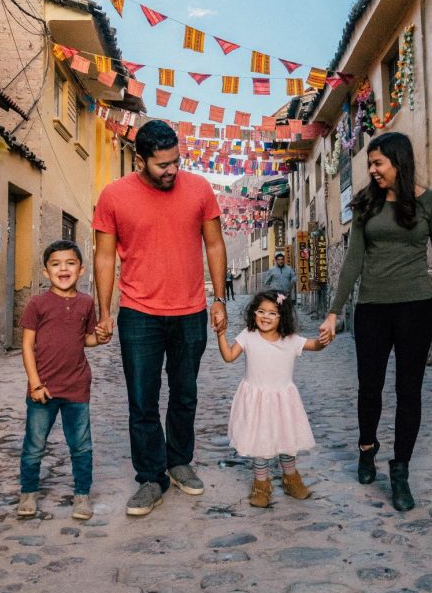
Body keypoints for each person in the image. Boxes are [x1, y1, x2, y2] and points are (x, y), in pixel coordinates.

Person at [93, 119, 227, 518]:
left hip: (190, 311)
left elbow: (215, 243)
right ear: (140, 160)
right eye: (162, 164)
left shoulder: (200, 189)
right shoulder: (114, 196)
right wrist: (105, 310)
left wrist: (219, 298)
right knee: (142, 399)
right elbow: (103, 255)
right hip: (138, 313)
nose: (172, 170)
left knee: (185, 393)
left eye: (176, 161)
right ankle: (150, 477)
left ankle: (179, 461)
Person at [319, 132, 432, 513]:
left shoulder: (431, 203)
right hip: (373, 308)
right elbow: (353, 262)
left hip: (417, 308)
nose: (373, 170)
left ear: (399, 161)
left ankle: (400, 471)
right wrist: (334, 310)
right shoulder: (366, 204)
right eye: (370, 164)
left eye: (378, 163)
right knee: (370, 386)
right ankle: (367, 448)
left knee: (409, 391)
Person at [17, 240, 110, 521]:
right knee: (34, 445)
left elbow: (85, 339)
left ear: (81, 270)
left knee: (81, 446)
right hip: (43, 389)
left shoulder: (86, 303)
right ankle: (28, 492)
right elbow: (26, 345)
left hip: (77, 387)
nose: (63, 269)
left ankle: (82, 496)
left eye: (70, 263)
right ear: (46, 272)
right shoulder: (38, 303)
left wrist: (101, 337)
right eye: (56, 264)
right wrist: (35, 383)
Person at [217, 290, 330, 508]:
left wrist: (326, 338)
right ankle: (261, 485)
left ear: (282, 317)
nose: (266, 317)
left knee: (287, 442)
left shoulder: (291, 340)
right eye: (261, 311)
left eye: (273, 313)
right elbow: (229, 356)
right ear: (253, 313)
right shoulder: (248, 336)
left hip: (283, 403)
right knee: (260, 444)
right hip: (256, 402)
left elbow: (314, 345)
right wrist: (221, 334)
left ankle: (291, 479)